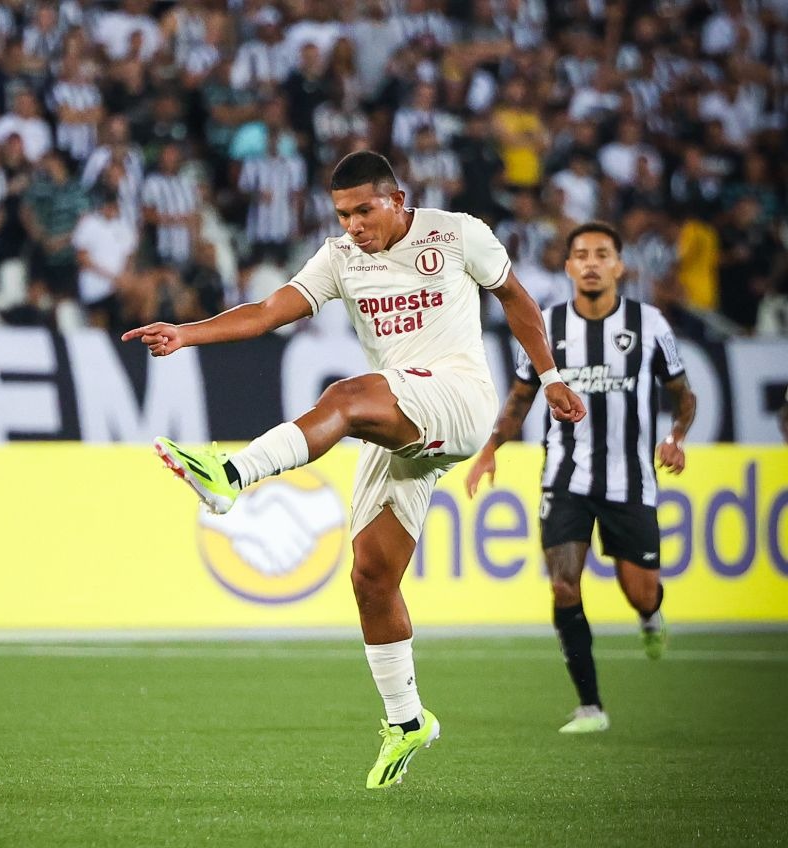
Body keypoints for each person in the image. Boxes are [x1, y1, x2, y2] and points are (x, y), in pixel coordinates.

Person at [122, 151, 586, 788]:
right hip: (399, 415)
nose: (354, 225)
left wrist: (552, 376)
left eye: (364, 210)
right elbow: (267, 311)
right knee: (371, 577)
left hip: (459, 396)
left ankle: (232, 476)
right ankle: (407, 720)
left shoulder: (457, 233)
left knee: (343, 397)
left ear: (398, 198)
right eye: (343, 214)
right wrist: (186, 334)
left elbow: (517, 299)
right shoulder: (340, 258)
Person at [465, 221, 696, 734]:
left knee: (639, 591)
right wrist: (490, 448)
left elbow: (683, 395)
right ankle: (591, 705)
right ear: (568, 266)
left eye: (602, 254)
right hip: (565, 477)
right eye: (581, 255)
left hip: (630, 481)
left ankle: (650, 615)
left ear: (619, 265)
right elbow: (521, 398)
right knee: (564, 584)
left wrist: (676, 436)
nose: (591, 263)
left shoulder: (651, 323)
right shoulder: (545, 327)